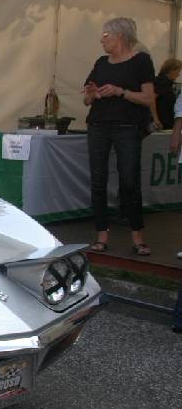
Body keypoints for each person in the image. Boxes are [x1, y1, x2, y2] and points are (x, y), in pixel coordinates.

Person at [82, 17, 154, 256]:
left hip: (127, 126)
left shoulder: (141, 61)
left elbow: (148, 98)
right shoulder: (101, 62)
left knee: (130, 180)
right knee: (98, 180)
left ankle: (137, 236)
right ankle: (101, 234)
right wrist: (92, 94)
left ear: (120, 36)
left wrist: (120, 92)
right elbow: (86, 99)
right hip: (99, 125)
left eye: (105, 35)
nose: (101, 39)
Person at [151, 58, 181, 130]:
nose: (178, 74)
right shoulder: (162, 82)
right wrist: (156, 119)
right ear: (171, 70)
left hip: (166, 123)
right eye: (178, 71)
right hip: (161, 124)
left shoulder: (167, 83)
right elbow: (151, 99)